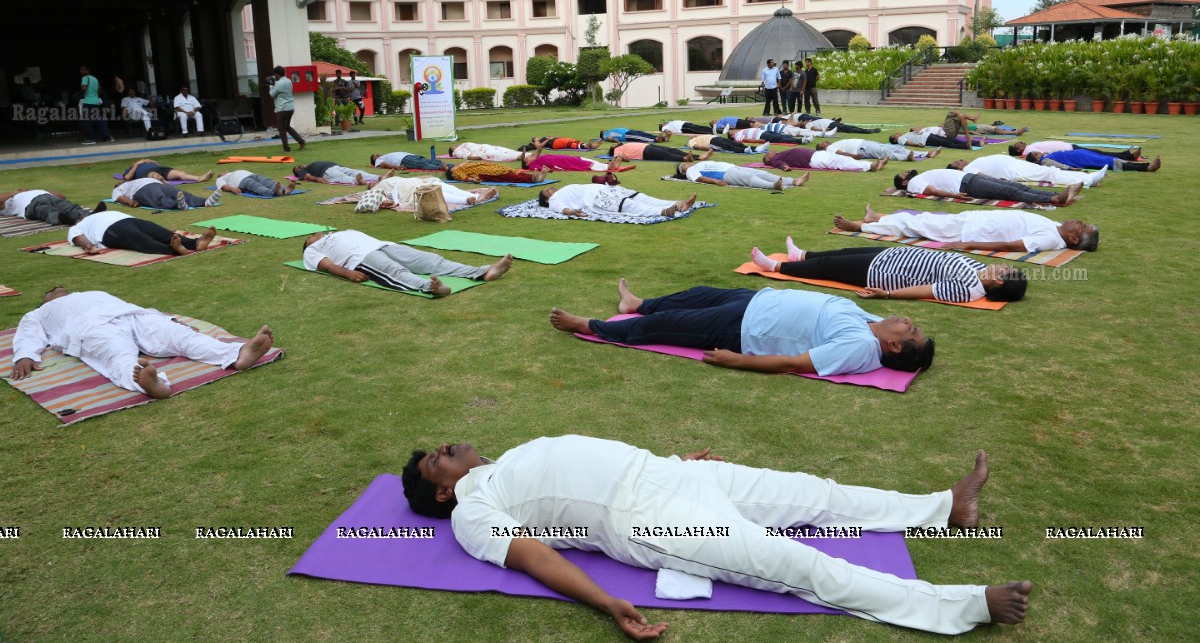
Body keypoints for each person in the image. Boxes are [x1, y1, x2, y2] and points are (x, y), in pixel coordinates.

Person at [403, 435, 1031, 637]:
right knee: (793, 562)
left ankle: (942, 507)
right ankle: (965, 605)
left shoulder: (508, 456)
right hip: (652, 520)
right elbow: (534, 555)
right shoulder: (469, 509)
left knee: (814, 494)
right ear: (440, 490)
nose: (448, 448)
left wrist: (679, 460)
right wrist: (604, 602)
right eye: (437, 459)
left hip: (668, 471)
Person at [550, 279, 934, 375]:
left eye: (910, 331)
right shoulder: (872, 325)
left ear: (895, 349)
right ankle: (635, 304)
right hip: (756, 299)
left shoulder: (860, 348)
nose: (909, 322)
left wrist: (737, 361)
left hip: (744, 328)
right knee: (694, 294)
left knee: (666, 325)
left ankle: (588, 325)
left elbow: (793, 364)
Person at [10, 288, 276, 399]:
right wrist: (25, 355)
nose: (58, 290)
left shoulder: (93, 292)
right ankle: (152, 384)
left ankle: (237, 354)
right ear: (45, 299)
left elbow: (130, 305)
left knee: (182, 338)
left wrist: (171, 320)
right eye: (53, 291)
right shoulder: (39, 313)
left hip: (134, 316)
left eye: (60, 288)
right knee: (119, 356)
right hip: (90, 328)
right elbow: (27, 334)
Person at [750, 241, 1027, 303]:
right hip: (896, 255)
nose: (1002, 265)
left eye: (1005, 269)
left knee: (828, 269)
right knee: (842, 253)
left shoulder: (968, 289)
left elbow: (927, 290)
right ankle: (802, 255)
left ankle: (776, 266)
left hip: (882, 272)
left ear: (999, 281)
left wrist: (888, 294)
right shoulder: (980, 269)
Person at [301, 230, 512, 296]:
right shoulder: (312, 250)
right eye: (310, 236)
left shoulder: (337, 233)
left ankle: (483, 272)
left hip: (384, 245)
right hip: (361, 259)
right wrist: (348, 273)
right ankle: (431, 287)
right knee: (395, 272)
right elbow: (326, 265)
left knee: (431, 260)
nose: (314, 235)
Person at [834, 205, 1099, 253]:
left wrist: (968, 245)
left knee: (916, 226)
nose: (1079, 221)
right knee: (923, 219)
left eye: (1082, 226)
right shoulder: (1056, 227)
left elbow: (1012, 246)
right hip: (975, 220)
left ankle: (860, 225)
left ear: (1075, 239)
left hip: (971, 233)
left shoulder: (1050, 240)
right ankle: (877, 217)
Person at [68, 209, 218, 257]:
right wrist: (87, 245)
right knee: (147, 239)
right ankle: (183, 247)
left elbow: (80, 239)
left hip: (125, 223)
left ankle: (195, 244)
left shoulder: (91, 219)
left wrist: (87, 244)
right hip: (114, 228)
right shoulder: (78, 226)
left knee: (158, 236)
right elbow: (78, 238)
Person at [893, 169, 1081, 206]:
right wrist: (956, 195)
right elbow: (932, 191)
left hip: (970, 178)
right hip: (967, 184)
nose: (906, 172)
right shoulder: (914, 183)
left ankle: (1058, 195)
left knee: (1013, 185)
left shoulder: (918, 177)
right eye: (903, 174)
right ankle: (1052, 199)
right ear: (904, 182)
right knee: (1011, 192)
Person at [537, 185, 697, 218]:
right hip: (597, 199)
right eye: (547, 191)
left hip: (607, 189)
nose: (551, 188)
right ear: (547, 198)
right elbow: (559, 208)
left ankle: (678, 204)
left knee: (641, 197)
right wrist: (571, 211)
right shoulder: (554, 200)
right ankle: (663, 211)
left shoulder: (562, 190)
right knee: (630, 205)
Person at [354, 176, 496, 212]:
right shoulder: (376, 189)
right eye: (370, 185)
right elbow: (379, 199)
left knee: (439, 185)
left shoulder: (384, 180)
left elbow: (385, 176)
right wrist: (388, 202)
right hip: (403, 188)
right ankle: (468, 200)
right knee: (430, 191)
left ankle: (476, 197)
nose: (372, 183)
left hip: (410, 181)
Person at [954, 155, 1107, 188]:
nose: (961, 159)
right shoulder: (968, 169)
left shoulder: (972, 163)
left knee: (1049, 171)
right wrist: (1001, 182)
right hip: (1014, 171)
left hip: (1015, 166)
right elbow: (980, 176)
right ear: (958, 168)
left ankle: (1087, 177)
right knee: (1049, 173)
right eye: (957, 161)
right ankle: (1088, 180)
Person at [678, 160, 808, 191]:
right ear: (684, 172)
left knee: (761, 173)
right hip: (724, 174)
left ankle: (793, 181)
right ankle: (773, 186)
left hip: (731, 167)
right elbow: (699, 179)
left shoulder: (697, 164)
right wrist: (715, 182)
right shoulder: (690, 171)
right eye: (684, 165)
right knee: (748, 179)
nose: (687, 164)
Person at [111, 177, 219, 210]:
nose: (121, 181)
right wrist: (131, 202)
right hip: (142, 190)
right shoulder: (119, 188)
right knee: (159, 199)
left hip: (158, 184)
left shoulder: (133, 180)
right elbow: (118, 198)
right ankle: (178, 204)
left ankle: (205, 202)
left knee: (181, 193)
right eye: (119, 182)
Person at [0, 189, 89, 226]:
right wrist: (16, 192)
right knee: (46, 211)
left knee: (67, 206)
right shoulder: (7, 203)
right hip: (30, 205)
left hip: (47, 196)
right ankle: (64, 219)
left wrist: (43, 190)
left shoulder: (32, 191)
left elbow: (62, 196)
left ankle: (90, 216)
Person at [269, 66, 305, 152]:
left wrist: (271, 85)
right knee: (287, 127)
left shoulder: (278, 84)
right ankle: (301, 141)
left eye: (275, 74)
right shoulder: (289, 81)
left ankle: (286, 148)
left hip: (282, 108)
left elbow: (272, 94)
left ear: (277, 74)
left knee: (281, 129)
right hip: (290, 108)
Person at [1026, 149, 1160, 173]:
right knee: (1112, 163)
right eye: (1037, 153)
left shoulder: (1046, 156)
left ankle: (1144, 165)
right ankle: (1147, 167)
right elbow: (1058, 165)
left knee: (1111, 159)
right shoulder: (1044, 161)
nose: (1040, 152)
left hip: (1081, 155)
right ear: (1036, 159)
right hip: (1081, 160)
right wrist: (1071, 169)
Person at [764, 148, 886, 172]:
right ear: (768, 158)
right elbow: (778, 163)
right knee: (840, 163)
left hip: (816, 155)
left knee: (841, 159)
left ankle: (871, 165)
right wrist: (785, 167)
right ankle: (870, 167)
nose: (771, 150)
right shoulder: (774, 159)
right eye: (769, 153)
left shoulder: (779, 154)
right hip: (813, 159)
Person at [78, 65, 113, 145]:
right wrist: (95, 96)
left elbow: (84, 88)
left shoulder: (85, 78)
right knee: (98, 120)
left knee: (87, 121)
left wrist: (79, 93)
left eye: (82, 70)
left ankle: (91, 138)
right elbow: (99, 90)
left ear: (87, 70)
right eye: (80, 70)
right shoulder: (95, 79)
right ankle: (106, 136)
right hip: (96, 102)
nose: (81, 72)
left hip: (88, 102)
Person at [1009, 140, 1140, 161]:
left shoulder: (1029, 147)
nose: (1021, 142)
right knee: (1098, 154)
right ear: (1019, 149)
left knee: (1098, 153)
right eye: (1019, 143)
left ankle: (1125, 155)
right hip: (1070, 150)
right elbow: (1044, 154)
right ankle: (1127, 156)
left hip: (1070, 147)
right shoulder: (1029, 150)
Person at [820, 139, 933, 162]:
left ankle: (925, 153)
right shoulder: (828, 149)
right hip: (862, 148)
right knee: (886, 153)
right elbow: (839, 153)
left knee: (894, 148)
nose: (826, 141)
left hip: (866, 144)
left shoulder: (833, 144)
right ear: (822, 147)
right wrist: (853, 156)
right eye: (823, 143)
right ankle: (907, 158)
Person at [519, 151, 627, 173]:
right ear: (527, 163)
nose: (529, 156)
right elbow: (539, 170)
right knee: (584, 163)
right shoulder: (532, 165)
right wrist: (548, 170)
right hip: (563, 162)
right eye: (527, 158)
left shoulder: (535, 160)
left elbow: (536, 152)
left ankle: (613, 162)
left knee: (583, 162)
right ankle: (615, 161)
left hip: (564, 160)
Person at [293, 161, 387, 185]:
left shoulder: (310, 165)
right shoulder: (304, 170)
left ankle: (378, 177)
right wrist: (317, 179)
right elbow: (308, 176)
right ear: (297, 171)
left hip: (336, 166)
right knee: (342, 177)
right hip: (326, 172)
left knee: (356, 172)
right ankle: (358, 181)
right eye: (297, 167)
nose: (300, 166)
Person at [121, 159, 212, 184]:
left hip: (160, 168)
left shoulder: (146, 162)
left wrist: (151, 161)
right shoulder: (131, 168)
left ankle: (199, 178)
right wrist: (136, 164)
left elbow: (157, 164)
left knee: (179, 173)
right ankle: (163, 182)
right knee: (154, 175)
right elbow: (127, 178)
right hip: (148, 173)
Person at [446, 162, 548, 183]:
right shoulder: (456, 172)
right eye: (452, 167)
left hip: (487, 167)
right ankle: (532, 179)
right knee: (508, 176)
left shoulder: (461, 166)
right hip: (485, 172)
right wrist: (472, 180)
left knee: (509, 171)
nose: (454, 166)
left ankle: (536, 177)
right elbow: (463, 177)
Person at [215, 170, 294, 197]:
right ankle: (276, 192)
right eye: (223, 172)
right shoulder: (220, 178)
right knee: (257, 186)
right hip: (242, 181)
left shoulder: (233, 172)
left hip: (253, 175)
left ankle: (284, 190)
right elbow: (223, 186)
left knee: (268, 181)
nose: (225, 171)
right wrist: (233, 188)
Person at [889, 128, 972, 151]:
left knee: (948, 139)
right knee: (945, 142)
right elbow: (907, 143)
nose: (896, 133)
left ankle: (965, 143)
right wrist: (917, 145)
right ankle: (965, 146)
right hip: (926, 139)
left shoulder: (904, 135)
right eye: (894, 135)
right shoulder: (900, 139)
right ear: (894, 139)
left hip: (928, 135)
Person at [608, 142, 696, 162]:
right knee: (665, 154)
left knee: (671, 150)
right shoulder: (617, 149)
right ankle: (684, 158)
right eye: (613, 145)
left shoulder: (624, 145)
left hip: (648, 146)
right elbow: (618, 156)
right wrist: (625, 159)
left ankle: (697, 156)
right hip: (644, 152)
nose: (615, 144)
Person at [685, 133, 764, 154]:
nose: (692, 135)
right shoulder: (690, 141)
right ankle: (744, 151)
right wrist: (708, 149)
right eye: (691, 135)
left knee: (735, 143)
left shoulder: (698, 137)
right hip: (711, 143)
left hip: (716, 138)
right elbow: (696, 146)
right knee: (729, 146)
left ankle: (756, 148)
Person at [447, 142, 523, 162]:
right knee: (496, 154)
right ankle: (517, 157)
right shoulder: (456, 152)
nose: (455, 145)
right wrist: (473, 157)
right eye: (453, 147)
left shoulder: (461, 146)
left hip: (483, 147)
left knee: (502, 149)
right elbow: (464, 155)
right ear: (452, 151)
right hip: (481, 151)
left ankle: (527, 155)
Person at [371, 151, 444, 171]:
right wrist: (397, 167)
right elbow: (384, 165)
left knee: (426, 161)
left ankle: (447, 166)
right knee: (421, 163)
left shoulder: (384, 156)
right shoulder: (378, 160)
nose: (377, 155)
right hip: (403, 160)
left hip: (408, 156)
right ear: (375, 160)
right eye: (375, 156)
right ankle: (440, 167)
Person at [601, 128, 668, 144]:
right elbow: (608, 138)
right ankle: (656, 140)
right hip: (627, 135)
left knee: (644, 134)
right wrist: (614, 140)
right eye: (603, 131)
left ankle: (664, 139)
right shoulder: (605, 134)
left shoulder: (609, 131)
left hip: (629, 131)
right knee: (642, 137)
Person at [530, 136, 600, 151]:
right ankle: (586, 147)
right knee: (569, 143)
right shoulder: (536, 142)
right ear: (534, 140)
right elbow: (539, 147)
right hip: (554, 144)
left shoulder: (542, 138)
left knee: (573, 140)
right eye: (536, 137)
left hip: (557, 140)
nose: (537, 137)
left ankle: (588, 145)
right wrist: (548, 139)